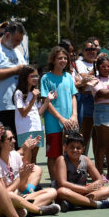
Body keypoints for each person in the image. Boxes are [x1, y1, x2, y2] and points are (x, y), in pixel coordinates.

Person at [0, 130, 60, 216]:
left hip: (18, 198)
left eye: (13, 138)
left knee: (53, 191)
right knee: (11, 195)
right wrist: (19, 179)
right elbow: (3, 195)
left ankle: (24, 210)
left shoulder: (14, 155)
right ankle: (36, 209)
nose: (14, 141)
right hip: (3, 203)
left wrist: (28, 149)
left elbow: (21, 187)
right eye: (10, 139)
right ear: (0, 143)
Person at [51, 133, 109, 210]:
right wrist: (85, 189)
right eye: (72, 147)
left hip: (83, 193)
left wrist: (92, 186)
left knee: (107, 190)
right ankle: (96, 204)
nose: (75, 150)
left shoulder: (86, 160)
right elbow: (62, 183)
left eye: (78, 148)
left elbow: (100, 180)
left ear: (83, 149)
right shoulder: (61, 159)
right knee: (62, 191)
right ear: (65, 148)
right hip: (67, 193)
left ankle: (75, 204)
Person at [41, 45, 79, 183]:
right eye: (59, 58)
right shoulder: (46, 78)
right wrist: (60, 118)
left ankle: (67, 180)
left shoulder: (68, 76)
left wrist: (74, 115)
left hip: (70, 122)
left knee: (69, 153)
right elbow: (47, 101)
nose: (62, 60)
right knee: (53, 155)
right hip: (54, 123)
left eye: (65, 58)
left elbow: (73, 96)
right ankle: (54, 182)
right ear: (53, 60)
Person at [14, 65, 50, 167]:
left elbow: (39, 112)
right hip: (25, 129)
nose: (35, 79)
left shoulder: (35, 92)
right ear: (25, 77)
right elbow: (23, 113)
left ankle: (33, 181)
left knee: (34, 158)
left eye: (36, 76)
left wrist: (47, 101)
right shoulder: (19, 93)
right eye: (32, 76)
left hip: (37, 127)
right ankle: (26, 181)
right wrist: (34, 98)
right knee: (26, 158)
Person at [74, 40, 99, 148]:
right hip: (85, 98)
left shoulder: (99, 62)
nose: (91, 52)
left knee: (98, 134)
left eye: (93, 49)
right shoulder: (79, 63)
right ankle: (81, 157)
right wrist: (96, 68)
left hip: (98, 99)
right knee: (84, 132)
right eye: (88, 49)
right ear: (83, 51)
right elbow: (85, 77)